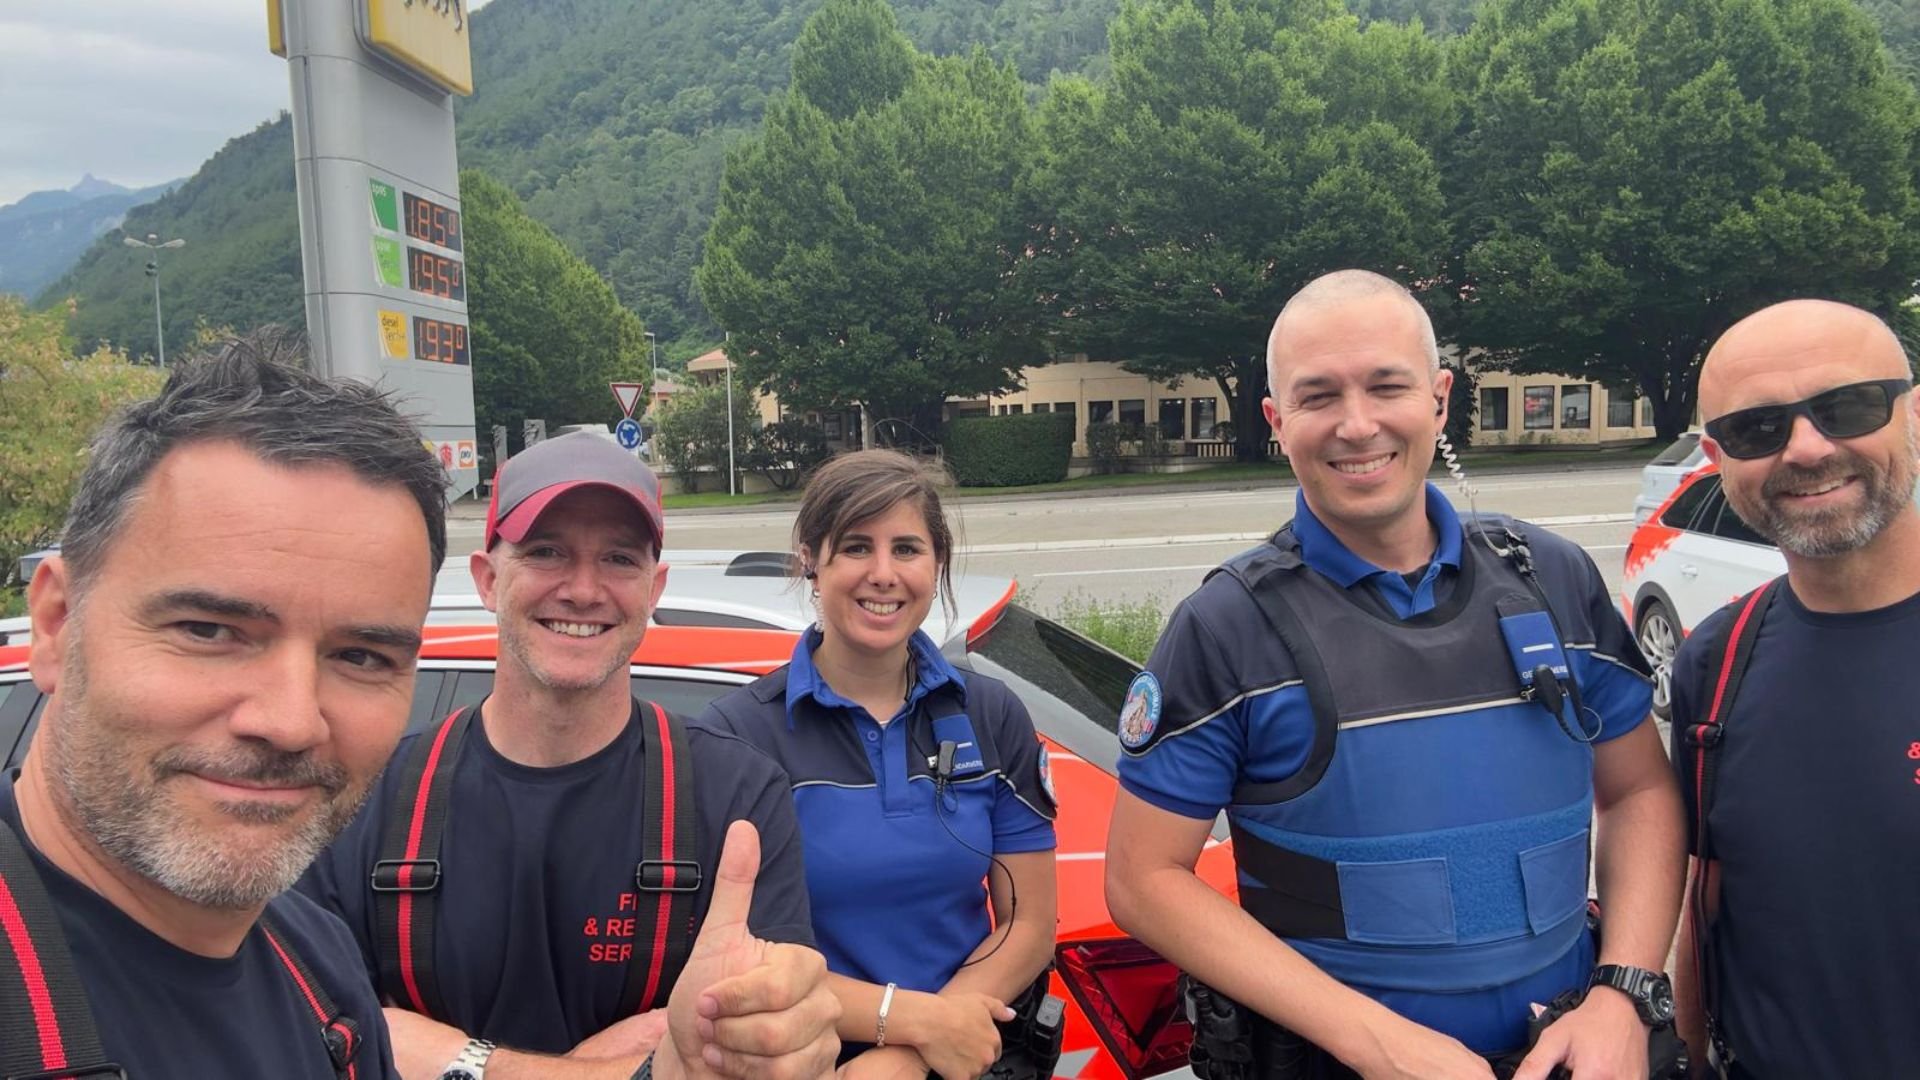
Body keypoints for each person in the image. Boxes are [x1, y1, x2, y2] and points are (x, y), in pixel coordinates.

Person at [1104, 270, 1689, 1080]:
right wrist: (1372, 1040)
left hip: (1573, 1056)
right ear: (1277, 422)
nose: (1357, 424)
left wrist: (1623, 995)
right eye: (1318, 396)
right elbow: (1142, 879)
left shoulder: (1553, 579)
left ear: (1440, 399)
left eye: (1387, 386)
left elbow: (1639, 791)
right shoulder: (1226, 627)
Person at [301, 431, 841, 1080]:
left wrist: (435, 1053)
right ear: (487, 579)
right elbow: (304, 1038)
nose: (584, 590)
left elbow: (757, 1059)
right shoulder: (369, 794)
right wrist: (627, 1068)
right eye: (546, 552)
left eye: (618, 558)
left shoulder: (737, 798)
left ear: (654, 589)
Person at [1, 342, 448, 1078]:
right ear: (55, 625)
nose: (291, 722)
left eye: (361, 656)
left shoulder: (319, 964)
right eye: (210, 631)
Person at [697, 450, 1058, 1080]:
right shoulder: (736, 735)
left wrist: (914, 1049)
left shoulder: (991, 714)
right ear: (811, 561)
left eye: (907, 549)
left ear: (937, 564)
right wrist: (909, 1025)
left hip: (965, 1057)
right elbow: (741, 957)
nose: (883, 574)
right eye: (857, 547)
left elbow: (1028, 923)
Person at [1669, 300, 1920, 1079]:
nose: (1807, 448)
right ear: (1717, 458)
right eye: (1758, 428)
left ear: (1914, 414)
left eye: (1847, 407)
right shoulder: (1715, 661)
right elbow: (1706, 897)